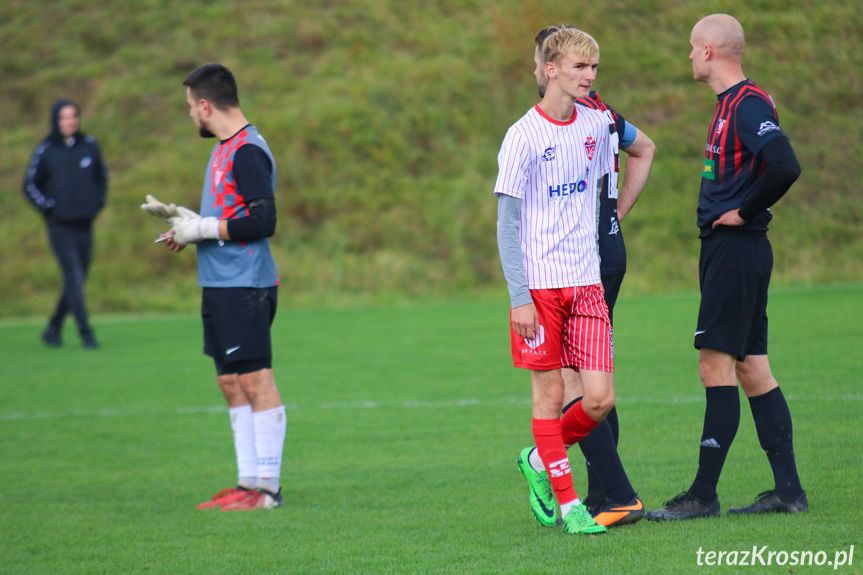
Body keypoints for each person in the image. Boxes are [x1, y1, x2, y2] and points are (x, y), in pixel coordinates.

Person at [646, 14, 806, 521]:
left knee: (713, 363)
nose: (689, 55)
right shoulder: (731, 105)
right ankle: (788, 491)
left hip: (736, 250)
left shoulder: (746, 104)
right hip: (735, 252)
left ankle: (702, 495)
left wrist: (744, 210)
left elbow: (785, 163)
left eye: (693, 47)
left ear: (711, 51)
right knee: (752, 367)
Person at [516, 25, 656, 529]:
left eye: (589, 67)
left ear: (547, 64)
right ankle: (602, 491)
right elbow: (646, 149)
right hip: (600, 251)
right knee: (591, 378)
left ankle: (615, 492)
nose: (536, 70)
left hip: (583, 261)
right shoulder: (600, 116)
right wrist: (615, 215)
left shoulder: (591, 117)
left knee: (578, 379)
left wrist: (607, 214)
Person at [495, 26, 623, 536]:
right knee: (548, 398)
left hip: (586, 282)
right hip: (540, 290)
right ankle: (572, 509)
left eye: (593, 68)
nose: (589, 77)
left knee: (598, 399)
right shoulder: (522, 135)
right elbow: (506, 226)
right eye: (579, 68)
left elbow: (597, 198)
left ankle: (539, 456)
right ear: (551, 70)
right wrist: (518, 298)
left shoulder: (595, 126)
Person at [141, 63, 286, 511]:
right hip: (218, 284)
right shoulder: (222, 150)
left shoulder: (247, 151)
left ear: (206, 105)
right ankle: (247, 483)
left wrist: (202, 228)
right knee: (229, 382)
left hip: (246, 284)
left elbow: (264, 220)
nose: (189, 116)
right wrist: (186, 223)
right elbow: (228, 214)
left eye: (190, 108)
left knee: (256, 379)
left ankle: (268, 490)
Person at [23, 99, 108, 349]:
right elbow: (29, 185)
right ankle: (86, 333)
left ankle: (53, 328)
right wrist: (48, 208)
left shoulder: (89, 146)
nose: (69, 122)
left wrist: (96, 204)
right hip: (60, 226)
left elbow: (101, 178)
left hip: (85, 224)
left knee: (77, 280)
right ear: (55, 121)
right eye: (64, 117)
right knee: (73, 277)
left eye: (73, 116)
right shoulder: (46, 149)